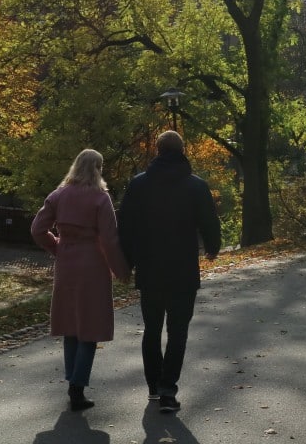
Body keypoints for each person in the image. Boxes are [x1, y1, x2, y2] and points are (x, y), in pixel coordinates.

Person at [118, 130, 222, 414]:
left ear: (157, 150)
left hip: (150, 268)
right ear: (183, 150)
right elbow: (209, 221)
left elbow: (125, 225)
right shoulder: (195, 186)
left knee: (151, 329)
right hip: (183, 270)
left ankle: (153, 385)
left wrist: (126, 262)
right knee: (178, 331)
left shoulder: (139, 185)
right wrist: (213, 247)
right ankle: (167, 389)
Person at [30, 149, 130, 412]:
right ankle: (78, 386)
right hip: (93, 266)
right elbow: (109, 239)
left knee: (71, 325)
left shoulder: (58, 195)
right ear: (97, 169)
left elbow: (38, 229)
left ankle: (72, 381)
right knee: (90, 326)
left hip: (66, 264)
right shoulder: (100, 198)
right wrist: (121, 270)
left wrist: (57, 246)